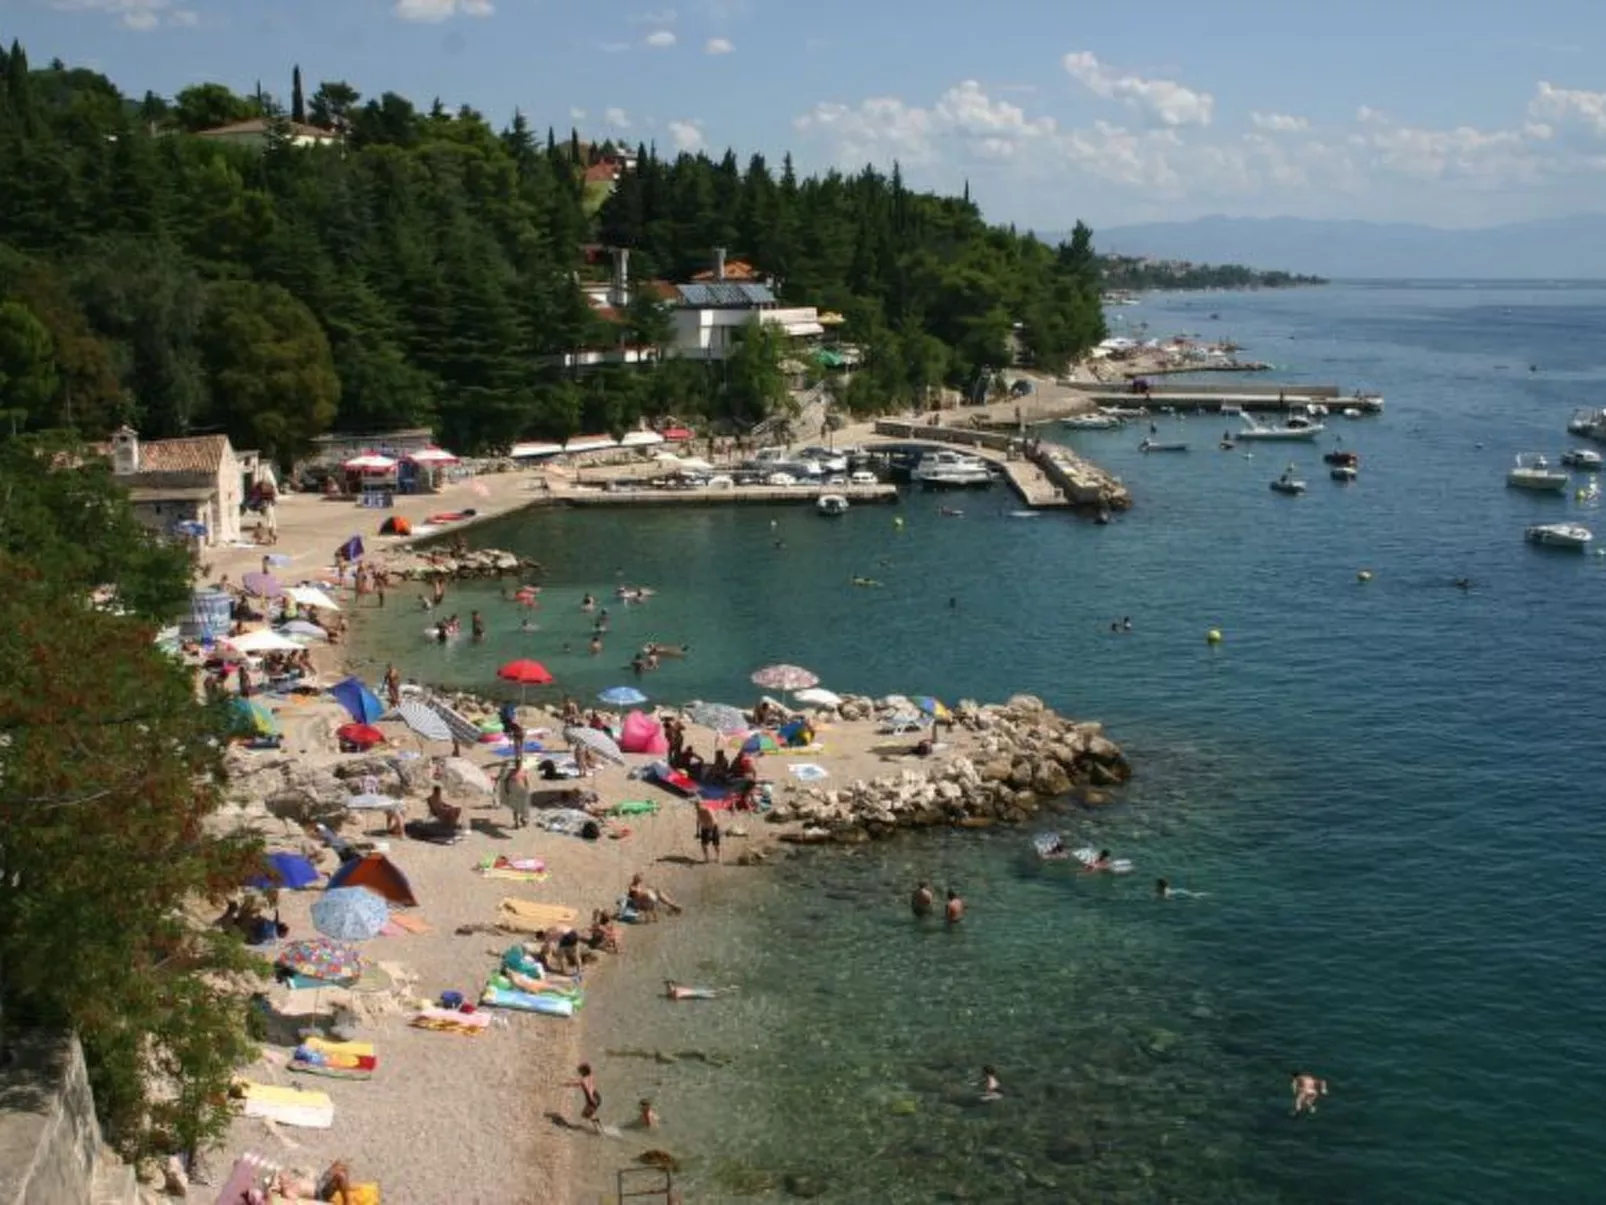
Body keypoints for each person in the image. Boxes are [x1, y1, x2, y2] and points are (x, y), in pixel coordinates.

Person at [565, 1063, 603, 1133]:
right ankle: (598, 1128)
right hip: (597, 1096)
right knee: (588, 1113)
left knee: (585, 1114)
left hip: (592, 1098)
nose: (579, 1072)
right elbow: (578, 1084)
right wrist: (568, 1084)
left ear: (583, 1072)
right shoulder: (590, 1077)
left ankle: (598, 1130)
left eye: (580, 1071)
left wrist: (591, 1100)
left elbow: (588, 1089)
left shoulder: (583, 1081)